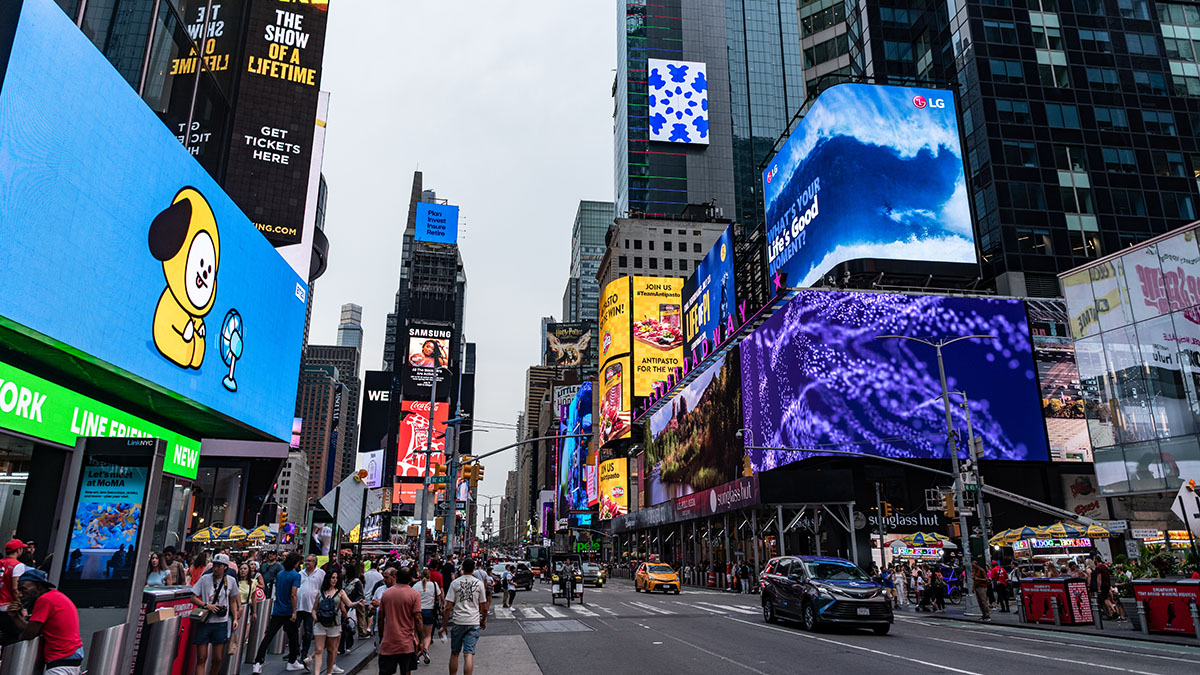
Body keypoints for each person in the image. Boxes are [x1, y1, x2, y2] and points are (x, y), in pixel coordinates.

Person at [6, 569, 83, 674]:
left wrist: (18, 639)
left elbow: (30, 633)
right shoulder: (55, 596)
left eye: (23, 589)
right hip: (70, 657)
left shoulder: (45, 600)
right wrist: (15, 616)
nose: (20, 594)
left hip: (61, 659)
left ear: (39, 586)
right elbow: (32, 629)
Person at [252, 552, 305, 674]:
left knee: (269, 636)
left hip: (277, 610)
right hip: (288, 611)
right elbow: (293, 594)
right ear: (296, 563)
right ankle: (292, 661)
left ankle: (258, 662)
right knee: (293, 637)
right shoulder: (296, 576)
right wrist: (294, 611)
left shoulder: (280, 574)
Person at [189, 553, 240, 675]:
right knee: (201, 658)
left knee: (218, 658)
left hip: (221, 623)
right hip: (205, 622)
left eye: (219, 566)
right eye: (214, 566)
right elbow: (193, 598)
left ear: (225, 567)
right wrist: (207, 605)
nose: (215, 569)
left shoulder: (231, 581)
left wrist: (235, 618)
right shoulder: (205, 579)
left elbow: (232, 601)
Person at [440, 559, 488, 675]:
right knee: (468, 654)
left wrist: (444, 625)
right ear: (474, 568)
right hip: (473, 621)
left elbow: (447, 607)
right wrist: (483, 620)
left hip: (458, 621)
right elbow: (484, 607)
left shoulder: (455, 583)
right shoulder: (479, 584)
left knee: (455, 653)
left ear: (462, 568)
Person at [312, 568, 359, 675]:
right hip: (320, 624)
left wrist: (358, 603)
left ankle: (329, 672)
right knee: (319, 650)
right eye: (333, 577)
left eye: (336, 578)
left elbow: (349, 604)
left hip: (334, 624)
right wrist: (315, 618)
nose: (334, 580)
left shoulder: (340, 592)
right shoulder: (320, 592)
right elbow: (314, 609)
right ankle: (317, 673)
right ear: (327, 578)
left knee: (331, 650)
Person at [379, 567, 422, 675]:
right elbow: (418, 618)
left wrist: (381, 636)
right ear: (410, 579)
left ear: (396, 577)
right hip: (406, 642)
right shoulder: (414, 594)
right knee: (406, 671)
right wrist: (420, 640)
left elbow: (380, 617)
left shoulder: (386, 594)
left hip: (388, 641)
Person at [297, 554, 325, 665]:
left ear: (315, 562)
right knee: (294, 631)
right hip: (299, 606)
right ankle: (294, 652)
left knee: (308, 632)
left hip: (311, 607)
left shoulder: (321, 574)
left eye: (309, 561)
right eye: (306, 561)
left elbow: (323, 588)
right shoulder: (300, 573)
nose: (307, 563)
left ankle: (304, 653)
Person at [0, 539, 28, 645]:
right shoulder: (18, 566)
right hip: (9, 607)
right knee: (11, 638)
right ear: (18, 550)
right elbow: (15, 588)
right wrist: (22, 607)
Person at [415, 568, 441, 663]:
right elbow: (438, 596)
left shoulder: (416, 586)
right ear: (429, 576)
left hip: (418, 612)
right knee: (427, 635)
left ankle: (417, 653)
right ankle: (425, 649)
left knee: (417, 634)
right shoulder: (434, 585)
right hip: (429, 611)